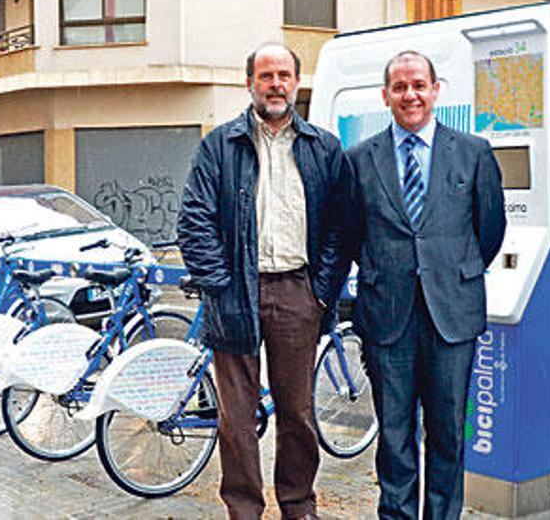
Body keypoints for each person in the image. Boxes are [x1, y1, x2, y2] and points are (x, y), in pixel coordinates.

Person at [177, 43, 348, 520]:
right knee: (236, 419)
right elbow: (194, 221)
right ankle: (244, 510)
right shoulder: (220, 145)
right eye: (266, 76)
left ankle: (298, 506)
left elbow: (342, 225)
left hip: (298, 292)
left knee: (298, 414)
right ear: (249, 82)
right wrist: (221, 286)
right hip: (236, 292)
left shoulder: (322, 147)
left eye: (284, 75)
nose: (276, 84)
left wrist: (321, 292)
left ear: (297, 82)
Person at [342, 50, 506, 519]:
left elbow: (490, 230)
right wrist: (388, 270)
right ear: (385, 96)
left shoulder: (473, 152)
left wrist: (448, 271)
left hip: (452, 314)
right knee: (394, 436)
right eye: (400, 87)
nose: (410, 95)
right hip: (387, 316)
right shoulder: (359, 159)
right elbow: (351, 233)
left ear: (435, 91)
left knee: (448, 434)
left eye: (418, 85)